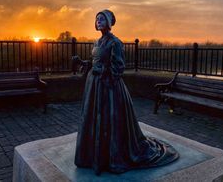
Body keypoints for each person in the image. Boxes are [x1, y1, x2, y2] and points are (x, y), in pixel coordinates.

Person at [73, 9, 179, 176]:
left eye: (102, 19)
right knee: (94, 120)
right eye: (97, 19)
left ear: (109, 22)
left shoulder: (115, 43)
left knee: (111, 121)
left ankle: (112, 157)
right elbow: (96, 61)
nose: (98, 21)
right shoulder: (97, 42)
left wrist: (103, 73)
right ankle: (95, 156)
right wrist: (83, 63)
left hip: (110, 89)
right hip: (94, 87)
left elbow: (118, 67)